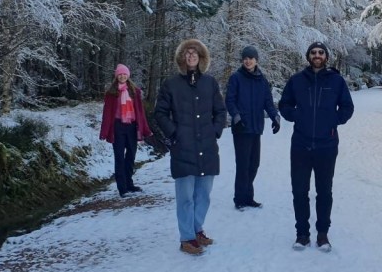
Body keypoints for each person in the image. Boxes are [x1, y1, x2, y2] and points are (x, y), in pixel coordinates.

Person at [278, 41, 354, 251]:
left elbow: (347, 107)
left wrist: (333, 121)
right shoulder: (296, 80)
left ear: (326, 56)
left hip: (327, 145)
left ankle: (322, 234)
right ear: (308, 56)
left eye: (321, 52)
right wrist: (297, 116)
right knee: (299, 191)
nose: (317, 55)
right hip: (301, 144)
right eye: (313, 52)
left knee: (324, 191)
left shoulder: (336, 81)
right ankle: (302, 234)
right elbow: (284, 104)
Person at [153, 39, 227, 256]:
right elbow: (160, 113)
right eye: (187, 52)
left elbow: (220, 111)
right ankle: (187, 237)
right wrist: (175, 133)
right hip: (183, 148)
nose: (191, 55)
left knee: (203, 194)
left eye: (195, 52)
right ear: (182, 57)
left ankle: (197, 230)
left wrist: (214, 130)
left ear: (201, 57)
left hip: (207, 147)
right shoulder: (171, 85)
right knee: (185, 196)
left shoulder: (210, 83)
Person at [225, 45, 281, 210]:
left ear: (256, 60)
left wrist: (275, 118)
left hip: (256, 127)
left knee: (254, 164)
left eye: (251, 58)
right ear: (243, 60)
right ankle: (240, 199)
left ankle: (248, 197)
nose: (248, 61)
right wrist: (236, 117)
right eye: (245, 58)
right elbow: (230, 100)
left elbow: (268, 103)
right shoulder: (236, 78)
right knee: (243, 165)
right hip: (242, 127)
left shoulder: (262, 81)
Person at [99, 64, 153, 198]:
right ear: (117, 76)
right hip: (117, 127)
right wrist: (104, 131)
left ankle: (129, 183)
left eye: (124, 74)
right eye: (120, 74)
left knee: (131, 156)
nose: (122, 76)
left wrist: (144, 128)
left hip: (132, 127)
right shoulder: (111, 93)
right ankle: (122, 188)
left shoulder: (135, 91)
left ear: (128, 75)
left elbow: (140, 112)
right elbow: (107, 113)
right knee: (119, 157)